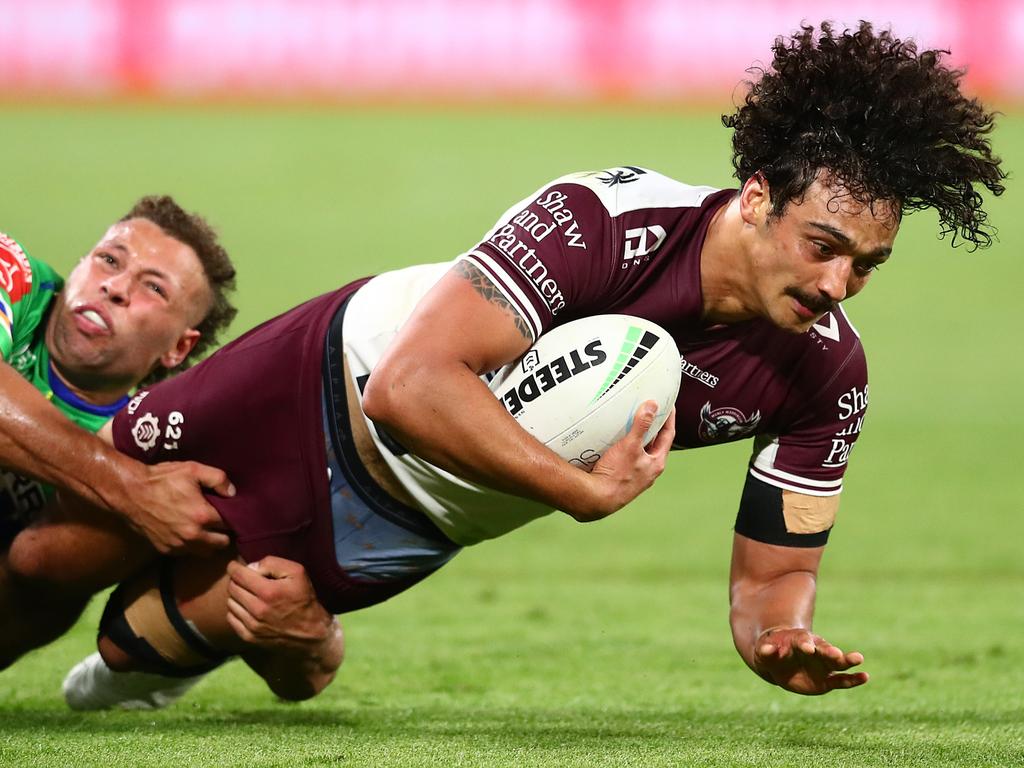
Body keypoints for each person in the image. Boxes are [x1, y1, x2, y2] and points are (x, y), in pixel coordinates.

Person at [9, 21, 1006, 706]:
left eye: (866, 266)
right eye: (822, 246)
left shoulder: (827, 374)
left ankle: (209, 640)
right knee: (50, 556)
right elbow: (407, 388)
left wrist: (775, 637)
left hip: (424, 512)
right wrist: (575, 489)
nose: (839, 285)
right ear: (755, 199)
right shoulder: (602, 221)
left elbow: (777, 574)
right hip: (320, 379)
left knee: (224, 649)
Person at [0, 197, 299, 676]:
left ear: (179, 347)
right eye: (109, 259)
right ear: (81, 263)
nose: (114, 287)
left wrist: (314, 637)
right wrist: (128, 490)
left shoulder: (158, 442)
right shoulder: (10, 271)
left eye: (153, 289)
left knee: (65, 567)